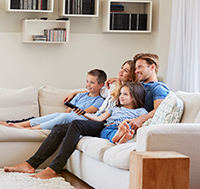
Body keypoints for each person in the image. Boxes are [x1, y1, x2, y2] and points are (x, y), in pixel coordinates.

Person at [4, 54, 169, 179]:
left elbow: (158, 110)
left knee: (75, 123)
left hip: (110, 122)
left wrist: (139, 119)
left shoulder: (154, 88)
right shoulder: (135, 85)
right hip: (106, 118)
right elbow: (100, 90)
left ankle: (53, 169)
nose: (137, 71)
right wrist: (78, 91)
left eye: (139, 68)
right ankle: (30, 164)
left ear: (152, 67)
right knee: (61, 127)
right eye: (136, 68)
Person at [5, 69, 107, 130]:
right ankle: (16, 125)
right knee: (58, 115)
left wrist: (70, 112)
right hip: (70, 116)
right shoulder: (80, 96)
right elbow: (67, 111)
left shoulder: (100, 100)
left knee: (64, 117)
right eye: (87, 81)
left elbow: (86, 112)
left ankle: (30, 129)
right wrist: (65, 112)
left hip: (81, 120)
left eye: (92, 83)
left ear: (101, 85)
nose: (88, 85)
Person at [74, 82, 147, 144]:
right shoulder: (115, 108)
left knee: (128, 127)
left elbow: (141, 120)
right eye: (120, 93)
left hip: (124, 127)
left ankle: (120, 137)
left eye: (125, 94)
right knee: (106, 133)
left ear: (135, 97)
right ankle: (119, 138)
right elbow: (99, 119)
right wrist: (84, 113)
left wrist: (125, 122)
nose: (121, 96)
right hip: (109, 127)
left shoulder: (140, 111)